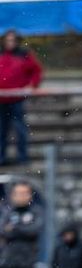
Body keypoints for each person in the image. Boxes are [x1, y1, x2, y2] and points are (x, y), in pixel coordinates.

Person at [0, 30, 42, 166]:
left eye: (12, 40)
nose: (10, 43)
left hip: (17, 99)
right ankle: (1, 157)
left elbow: (36, 71)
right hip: (1, 99)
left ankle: (23, 157)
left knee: (20, 129)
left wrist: (32, 85)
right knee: (1, 130)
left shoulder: (24, 54)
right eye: (8, 40)